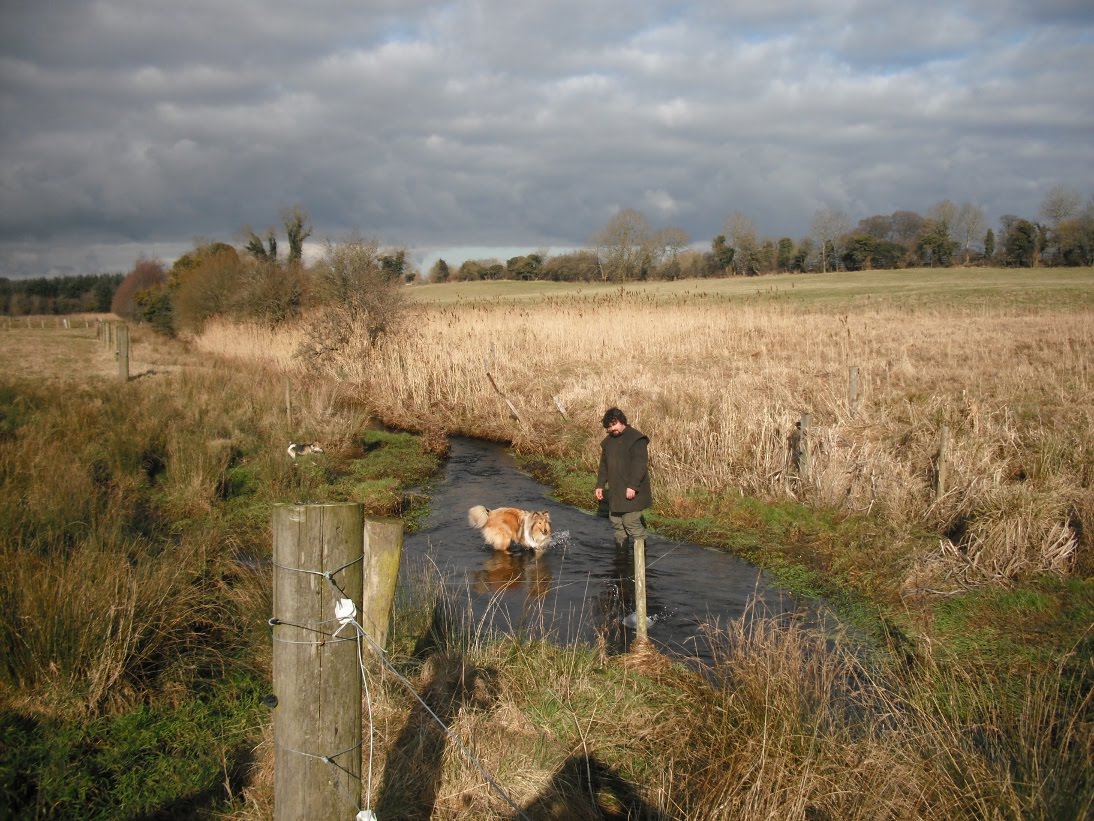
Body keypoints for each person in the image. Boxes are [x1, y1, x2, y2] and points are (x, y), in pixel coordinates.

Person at [595, 407, 651, 550]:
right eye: (608, 427)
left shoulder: (636, 439)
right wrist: (600, 485)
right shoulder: (608, 442)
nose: (611, 429)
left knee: (630, 521)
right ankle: (621, 562)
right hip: (616, 490)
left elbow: (640, 465)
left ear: (621, 421)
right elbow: (604, 466)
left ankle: (641, 557)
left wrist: (633, 486)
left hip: (633, 490)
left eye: (613, 425)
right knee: (617, 523)